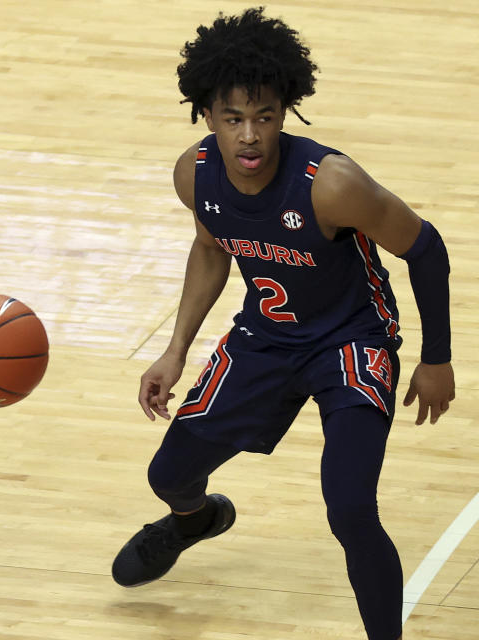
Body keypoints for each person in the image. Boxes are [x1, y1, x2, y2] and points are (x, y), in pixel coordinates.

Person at [111, 8, 454, 640]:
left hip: (351, 342)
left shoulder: (332, 184)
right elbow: (213, 248)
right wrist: (174, 350)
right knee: (167, 477)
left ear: (285, 112)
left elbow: (425, 248)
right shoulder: (196, 174)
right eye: (232, 118)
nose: (248, 136)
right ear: (206, 115)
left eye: (263, 117)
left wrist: (437, 357)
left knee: (350, 510)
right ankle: (194, 521)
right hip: (264, 339)